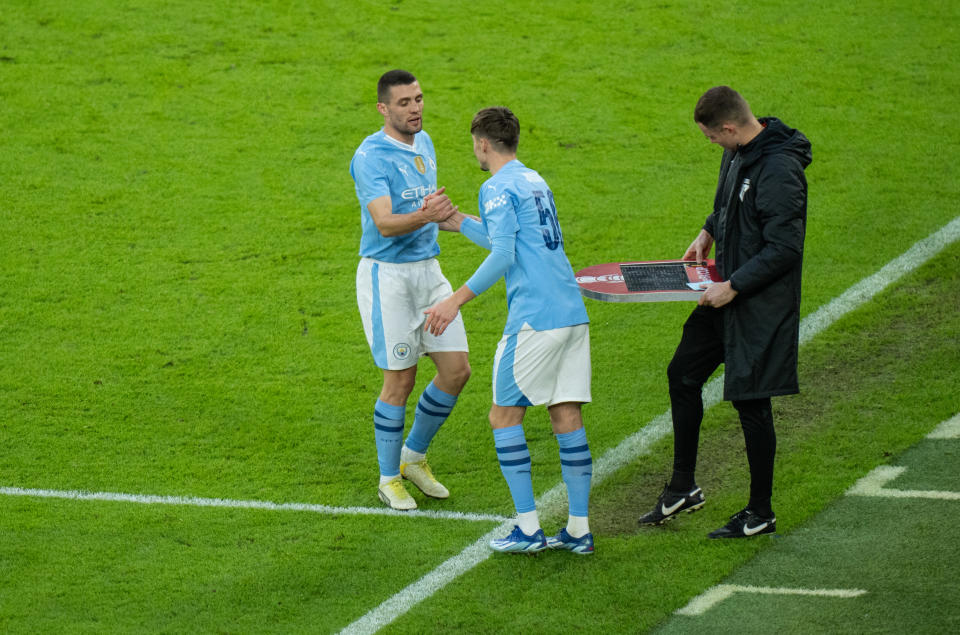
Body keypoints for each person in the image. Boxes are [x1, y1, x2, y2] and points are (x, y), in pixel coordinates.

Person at [637, 86, 812, 538]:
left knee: (752, 403)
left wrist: (732, 286)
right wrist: (707, 230)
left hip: (756, 302)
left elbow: (785, 248)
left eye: (713, 137)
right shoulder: (739, 154)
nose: (712, 144)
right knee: (684, 373)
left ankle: (761, 512)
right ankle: (683, 487)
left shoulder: (779, 169)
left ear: (730, 128)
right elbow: (728, 203)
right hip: (725, 291)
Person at [424, 107, 594, 554]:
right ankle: (578, 530)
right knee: (565, 415)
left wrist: (452, 300)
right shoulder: (533, 180)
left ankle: (528, 529)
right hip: (571, 312)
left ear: (482, 143)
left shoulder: (496, 186)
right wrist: (460, 222)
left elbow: (503, 257)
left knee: (503, 416)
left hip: (535, 319)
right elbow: (517, 244)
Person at [349, 70, 471, 511]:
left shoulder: (426, 141)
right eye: (404, 102)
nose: (415, 108)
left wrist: (472, 227)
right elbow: (384, 223)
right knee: (400, 380)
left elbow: (433, 213)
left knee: (456, 371)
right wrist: (425, 215)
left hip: (428, 271)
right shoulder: (370, 157)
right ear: (384, 108)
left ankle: (413, 458)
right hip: (389, 278)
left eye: (419, 98)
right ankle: (388, 479)